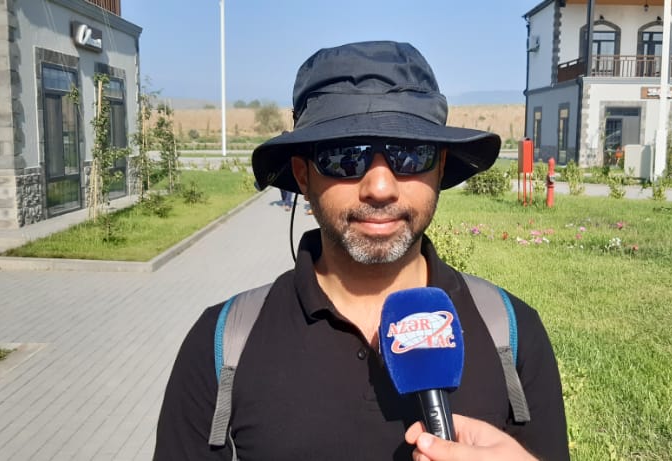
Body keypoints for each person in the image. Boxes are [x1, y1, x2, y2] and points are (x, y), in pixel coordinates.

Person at [154, 41, 570, 461]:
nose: (380, 188)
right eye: (344, 157)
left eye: (411, 154)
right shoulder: (223, 344)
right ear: (303, 176)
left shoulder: (511, 332)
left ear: (441, 166)